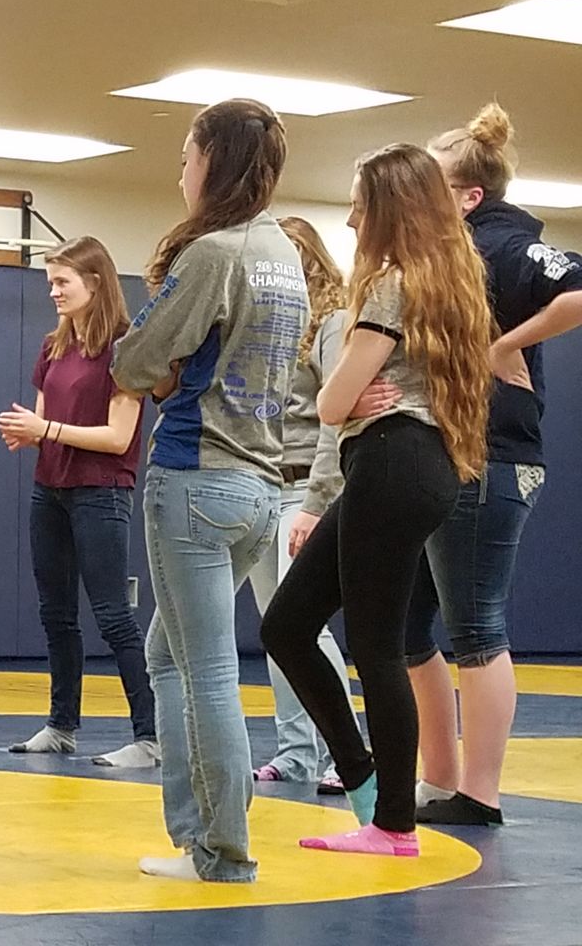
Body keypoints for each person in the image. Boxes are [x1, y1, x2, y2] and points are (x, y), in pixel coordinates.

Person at [262, 144, 492, 856]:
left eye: (361, 204)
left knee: (373, 647)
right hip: (415, 467)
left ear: (389, 209)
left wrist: (348, 398)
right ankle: (373, 791)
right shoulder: (454, 281)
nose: (354, 219)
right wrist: (350, 400)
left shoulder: (392, 285)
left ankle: (391, 821)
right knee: (290, 626)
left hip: (392, 461)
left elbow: (331, 403)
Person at [111, 98, 307, 884]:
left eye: (187, 156)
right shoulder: (284, 254)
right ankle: (200, 834)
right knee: (173, 653)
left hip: (196, 480)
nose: (180, 170)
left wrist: (162, 366)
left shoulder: (212, 255)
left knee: (207, 672)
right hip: (261, 486)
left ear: (213, 162)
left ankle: (221, 851)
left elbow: (133, 362)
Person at [406, 105, 582, 826]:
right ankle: (440, 774)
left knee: (476, 626)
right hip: (448, 455)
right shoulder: (451, 254)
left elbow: (574, 290)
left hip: (494, 458)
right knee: (406, 629)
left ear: (468, 195)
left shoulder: (504, 244)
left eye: (431, 187)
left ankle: (479, 791)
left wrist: (505, 346)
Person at [0, 237, 155, 768]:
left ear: (95, 282)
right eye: (50, 282)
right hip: (52, 489)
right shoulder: (53, 346)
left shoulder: (125, 349)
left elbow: (116, 437)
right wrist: (31, 433)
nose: (54, 291)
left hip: (102, 492)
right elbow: (46, 422)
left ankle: (149, 735)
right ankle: (62, 723)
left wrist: (46, 428)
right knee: (55, 613)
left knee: (112, 615)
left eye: (62, 282)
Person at [250, 218, 358, 793]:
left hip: (307, 487)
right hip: (265, 482)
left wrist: (318, 499)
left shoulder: (333, 321)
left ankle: (347, 751)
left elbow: (336, 417)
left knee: (305, 624)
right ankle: (296, 751)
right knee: (276, 627)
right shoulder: (270, 324)